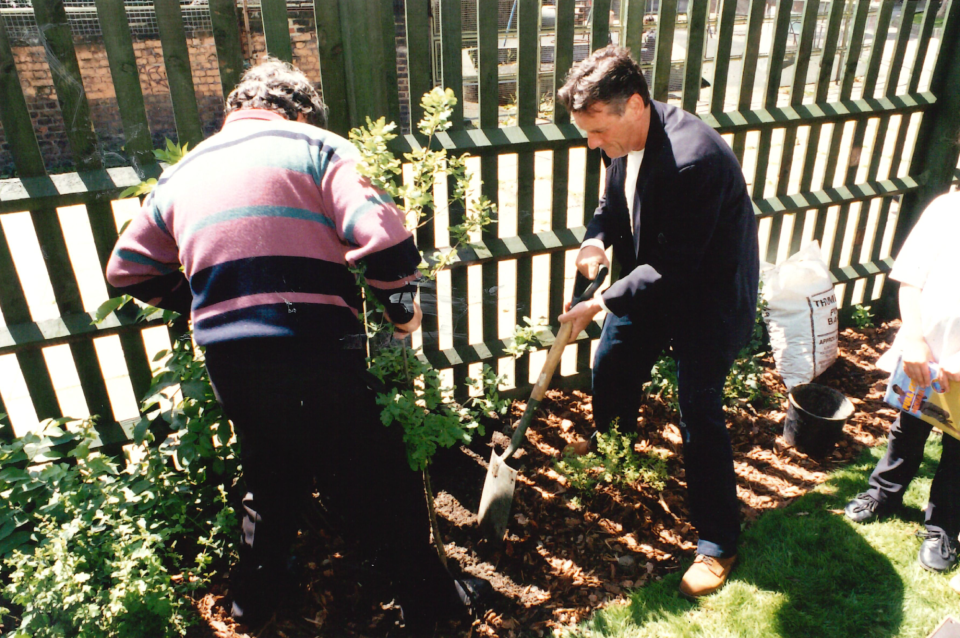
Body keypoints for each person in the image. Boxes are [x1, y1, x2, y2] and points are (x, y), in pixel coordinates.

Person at [106, 59, 478, 630]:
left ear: (235, 110)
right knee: (380, 480)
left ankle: (251, 608)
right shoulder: (317, 146)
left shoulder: (183, 172)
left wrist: (204, 301)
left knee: (271, 479)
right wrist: (402, 309)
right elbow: (383, 238)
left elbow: (127, 269)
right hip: (316, 350)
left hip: (233, 363)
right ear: (302, 109)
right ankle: (434, 606)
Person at [555, 46, 759, 598]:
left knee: (698, 411)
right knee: (613, 363)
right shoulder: (619, 137)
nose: (592, 144)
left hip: (706, 299)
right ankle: (611, 442)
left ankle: (719, 541)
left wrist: (600, 303)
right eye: (587, 133)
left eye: (597, 131)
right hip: (653, 281)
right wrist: (596, 239)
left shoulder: (694, 158)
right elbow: (615, 198)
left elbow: (678, 265)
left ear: (636, 104)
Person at [844, 190, 960, 572]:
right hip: (923, 354)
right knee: (908, 427)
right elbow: (911, 278)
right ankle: (884, 493)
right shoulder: (946, 209)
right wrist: (913, 338)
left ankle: (943, 525)